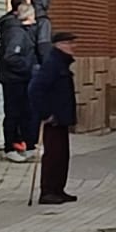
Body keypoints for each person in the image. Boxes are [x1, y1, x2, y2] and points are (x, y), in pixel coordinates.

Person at [28, 31, 80, 205]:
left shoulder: (61, 64)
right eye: (70, 43)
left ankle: (58, 189)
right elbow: (35, 89)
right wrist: (45, 114)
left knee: (62, 155)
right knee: (53, 155)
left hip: (61, 119)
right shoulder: (52, 65)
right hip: (53, 120)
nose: (73, 46)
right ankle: (48, 192)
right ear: (60, 45)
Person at [0, 0, 44, 163]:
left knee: (25, 113)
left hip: (19, 78)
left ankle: (28, 146)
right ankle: (10, 148)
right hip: (14, 79)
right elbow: (11, 57)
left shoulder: (21, 30)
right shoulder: (16, 32)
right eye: (32, 16)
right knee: (14, 113)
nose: (36, 20)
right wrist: (29, 69)